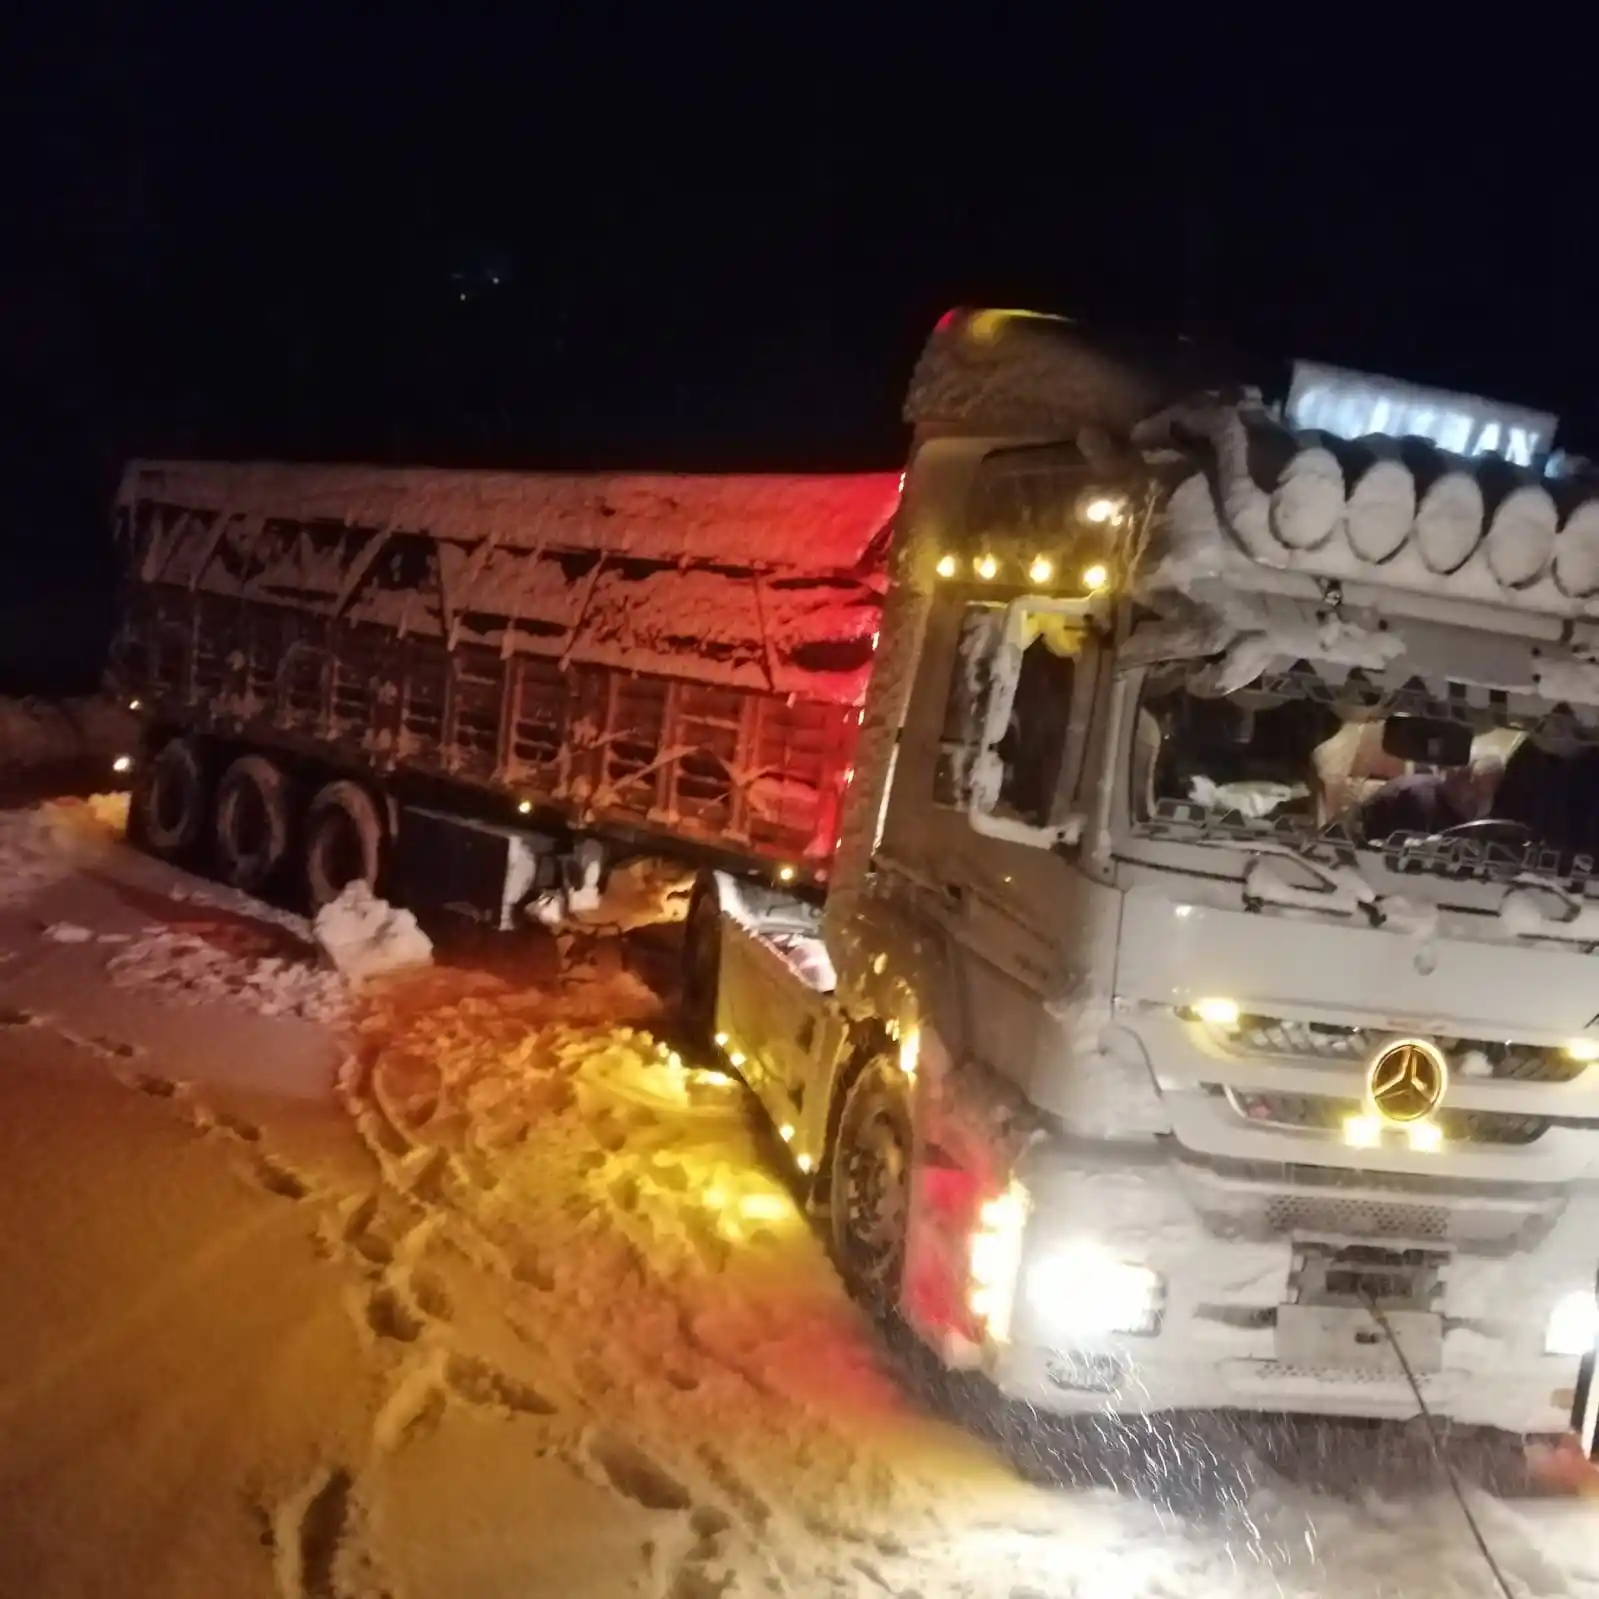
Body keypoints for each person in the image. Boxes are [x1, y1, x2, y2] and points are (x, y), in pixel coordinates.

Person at [1359, 755, 1504, 842]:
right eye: (1475, 788)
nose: (1478, 800)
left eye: (1486, 795)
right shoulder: (1416, 799)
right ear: (1457, 776)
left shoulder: (1469, 816)